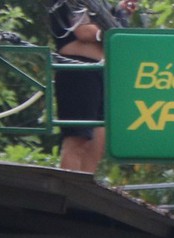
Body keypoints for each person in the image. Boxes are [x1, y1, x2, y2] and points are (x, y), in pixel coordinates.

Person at [49, 0, 134, 173]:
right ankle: (69, 191)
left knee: (96, 143)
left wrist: (121, 13)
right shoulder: (73, 3)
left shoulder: (101, 5)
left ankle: (83, 191)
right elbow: (84, 32)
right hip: (78, 70)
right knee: (77, 141)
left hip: (100, 70)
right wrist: (110, 31)